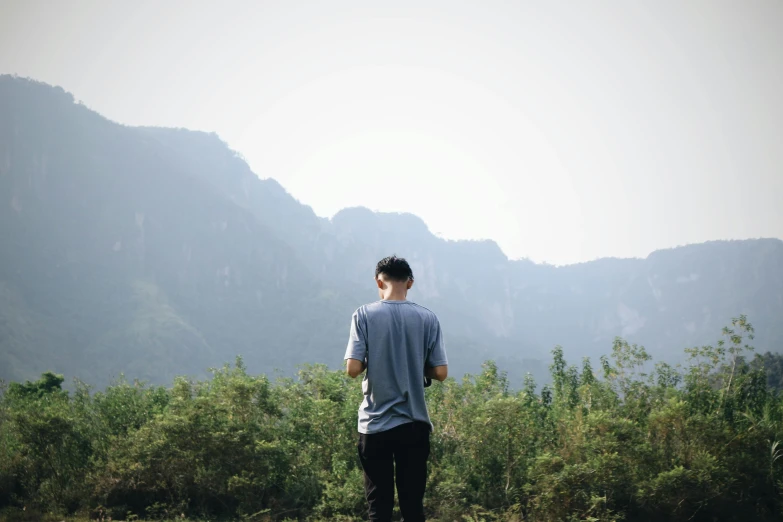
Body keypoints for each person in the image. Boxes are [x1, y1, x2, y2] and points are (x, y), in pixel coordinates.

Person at [344, 255, 448, 522]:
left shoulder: (364, 315)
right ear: (410, 283)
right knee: (412, 507)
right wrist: (414, 364)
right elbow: (441, 372)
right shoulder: (428, 318)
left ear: (379, 281)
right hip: (414, 423)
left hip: (375, 424)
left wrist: (373, 359)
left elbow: (353, 369)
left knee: (378, 508)